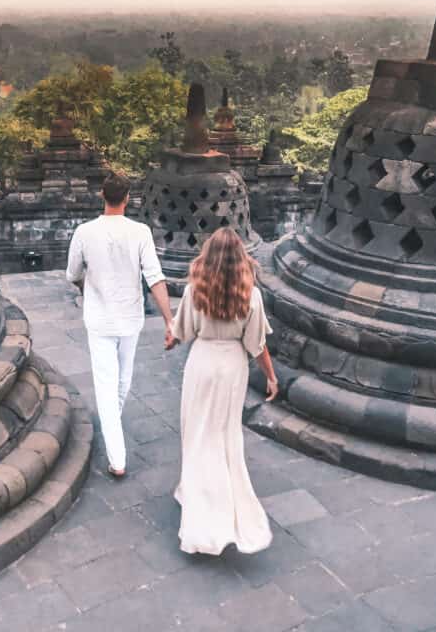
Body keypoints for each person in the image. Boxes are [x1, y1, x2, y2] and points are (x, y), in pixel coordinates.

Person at [165, 227, 279, 556]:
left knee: (196, 432)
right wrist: (270, 376)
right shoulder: (251, 296)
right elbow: (257, 344)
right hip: (232, 367)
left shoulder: (194, 290)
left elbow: (181, 332)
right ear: (240, 258)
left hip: (201, 364)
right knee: (224, 435)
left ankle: (197, 496)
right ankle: (218, 501)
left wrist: (171, 337)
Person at [66, 172, 174, 479]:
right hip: (129, 317)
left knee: (111, 383)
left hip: (102, 318)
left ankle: (112, 433)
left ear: (102, 194)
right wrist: (169, 320)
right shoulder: (139, 232)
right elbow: (155, 277)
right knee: (120, 380)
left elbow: (72, 273)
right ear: (127, 198)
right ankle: (117, 456)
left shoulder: (85, 232)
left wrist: (88, 288)